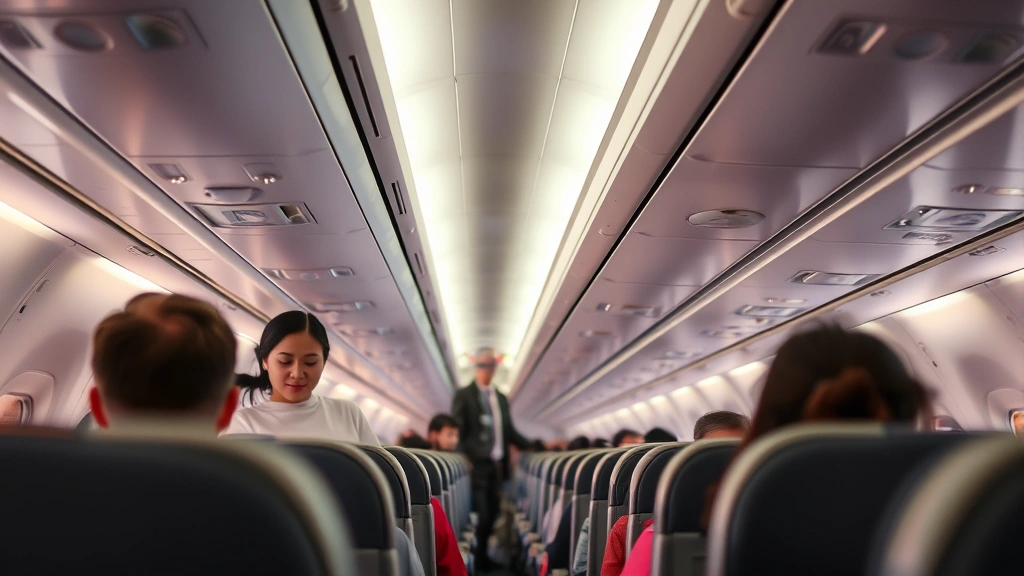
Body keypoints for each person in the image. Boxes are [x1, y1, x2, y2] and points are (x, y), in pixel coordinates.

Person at [222, 310, 378, 445]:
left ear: (323, 363)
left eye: (310, 362)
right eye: (285, 361)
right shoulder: (244, 425)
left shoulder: (348, 414)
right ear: (265, 361)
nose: (297, 374)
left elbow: (382, 474)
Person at [451, 347, 531, 570]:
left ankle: (484, 556)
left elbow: (509, 431)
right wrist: (463, 456)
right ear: (476, 366)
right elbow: (458, 430)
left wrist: (533, 445)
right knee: (482, 514)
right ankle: (479, 559)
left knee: (495, 512)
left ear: (495, 368)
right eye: (482, 365)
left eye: (490, 365)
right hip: (476, 466)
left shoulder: (501, 398)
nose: (486, 369)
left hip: (497, 467)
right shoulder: (464, 395)